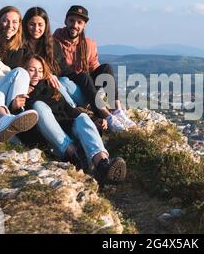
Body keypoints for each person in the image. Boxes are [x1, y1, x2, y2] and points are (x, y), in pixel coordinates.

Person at [18, 55, 126, 184]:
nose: (36, 74)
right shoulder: (21, 94)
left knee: (82, 118)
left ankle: (103, 164)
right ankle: (75, 155)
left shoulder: (50, 87)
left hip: (70, 131)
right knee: (38, 106)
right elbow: (23, 126)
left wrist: (94, 119)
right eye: (32, 70)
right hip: (56, 143)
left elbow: (69, 109)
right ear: (24, 70)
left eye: (40, 70)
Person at [53, 5, 136, 133]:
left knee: (106, 68)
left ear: (84, 25)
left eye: (79, 22)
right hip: (69, 88)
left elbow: (94, 68)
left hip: (87, 88)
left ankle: (117, 110)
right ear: (65, 21)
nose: (75, 25)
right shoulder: (55, 41)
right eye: (72, 21)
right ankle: (107, 116)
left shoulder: (89, 44)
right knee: (82, 76)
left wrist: (100, 88)